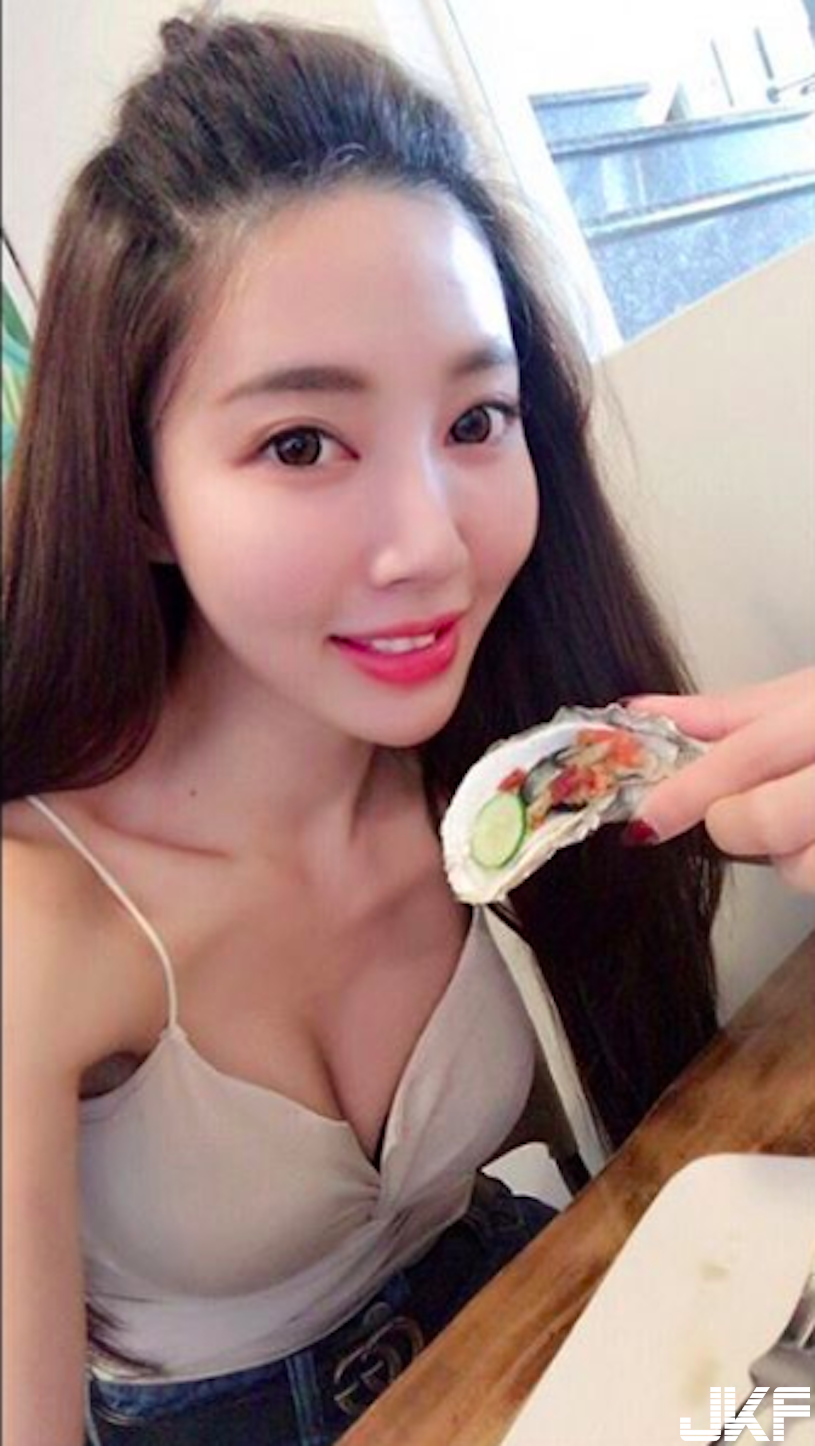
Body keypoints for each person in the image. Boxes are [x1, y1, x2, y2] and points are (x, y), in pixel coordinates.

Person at [2, 13, 812, 1446]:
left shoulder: (506, 772)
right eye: (301, 443)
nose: (432, 546)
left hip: (544, 1334)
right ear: (135, 494)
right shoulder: (40, 926)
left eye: (476, 419)